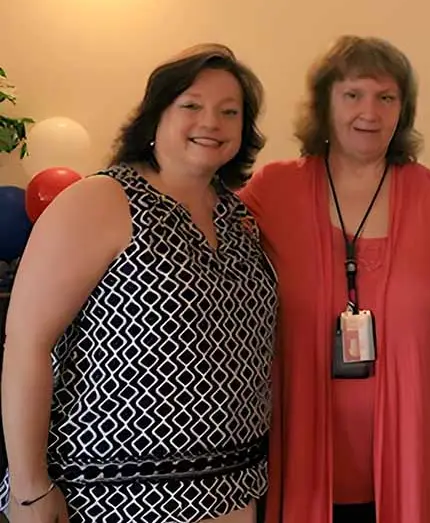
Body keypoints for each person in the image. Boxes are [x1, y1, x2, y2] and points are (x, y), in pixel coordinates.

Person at [1, 43, 277, 523]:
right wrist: (29, 486)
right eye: (191, 105)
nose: (210, 122)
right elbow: (27, 342)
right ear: (155, 117)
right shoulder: (102, 199)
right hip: (113, 495)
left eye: (229, 112)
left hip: (235, 485)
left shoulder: (239, 217)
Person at [240, 35, 430, 523]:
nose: (369, 112)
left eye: (386, 97)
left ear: (404, 109)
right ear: (324, 103)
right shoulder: (273, 192)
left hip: (420, 443)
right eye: (352, 94)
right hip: (298, 443)